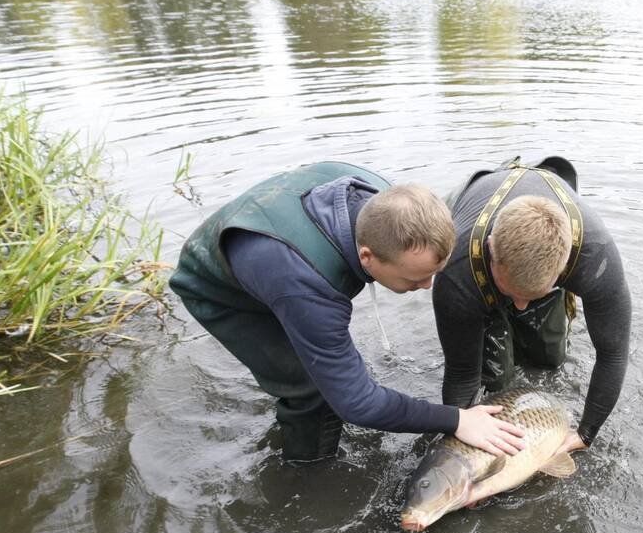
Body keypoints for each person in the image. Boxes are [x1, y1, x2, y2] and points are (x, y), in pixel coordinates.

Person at [169, 161, 526, 463]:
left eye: (433, 274)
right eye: (415, 278)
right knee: (310, 392)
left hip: (275, 257)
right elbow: (358, 405)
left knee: (329, 370)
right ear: (368, 257)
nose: (428, 287)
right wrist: (456, 420)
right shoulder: (307, 287)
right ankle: (306, 472)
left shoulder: (390, 205)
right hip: (220, 286)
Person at [433, 156, 632, 459]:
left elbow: (613, 354)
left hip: (535, 263)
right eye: (511, 294)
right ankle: (501, 301)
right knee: (493, 379)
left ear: (565, 269)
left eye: (530, 296)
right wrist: (463, 453)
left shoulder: (596, 257)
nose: (521, 306)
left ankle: (527, 292)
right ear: (491, 249)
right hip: (473, 228)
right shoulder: (456, 269)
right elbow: (461, 375)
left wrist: (585, 433)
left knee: (549, 358)